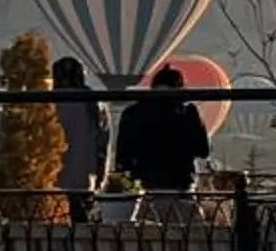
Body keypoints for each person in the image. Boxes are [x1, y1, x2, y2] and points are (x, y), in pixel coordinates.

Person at [115, 66, 211, 196]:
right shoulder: (187, 112)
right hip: (180, 184)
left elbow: (122, 158)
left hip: (145, 186)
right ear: (179, 87)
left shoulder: (132, 112)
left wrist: (132, 188)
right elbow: (203, 150)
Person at [51, 55, 107, 221]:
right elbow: (101, 143)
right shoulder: (93, 103)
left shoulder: (45, 102)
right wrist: (100, 176)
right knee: (80, 225)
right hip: (82, 178)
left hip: (50, 179)